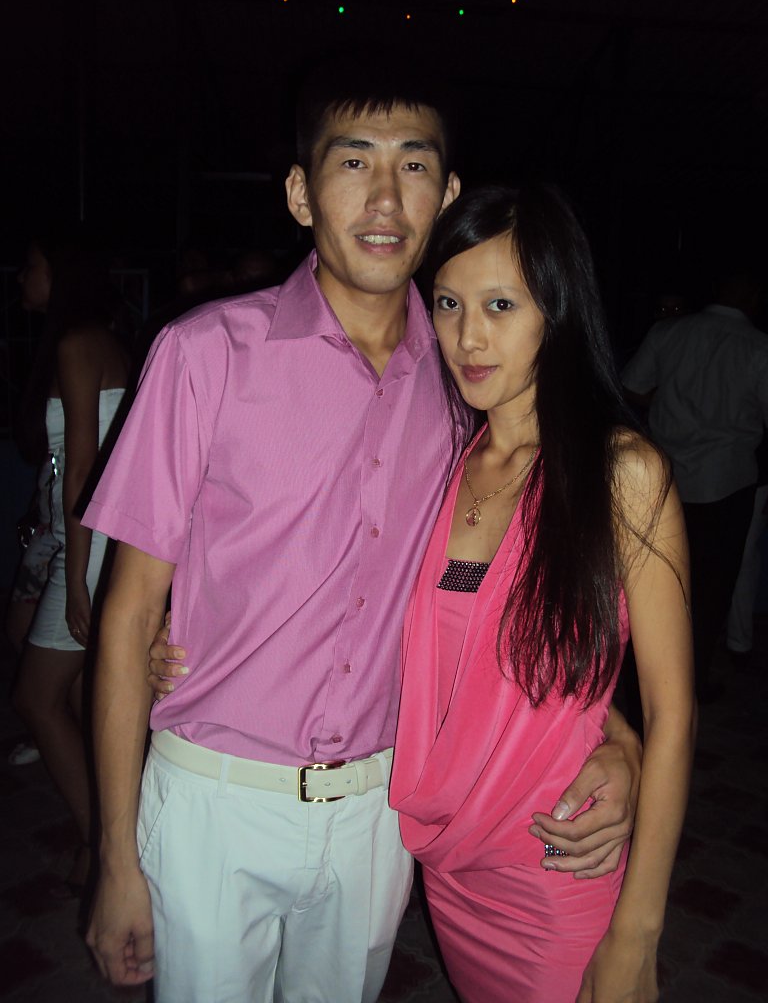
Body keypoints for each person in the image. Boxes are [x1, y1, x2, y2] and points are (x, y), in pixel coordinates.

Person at [83, 66, 640, 1003]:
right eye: (353, 163)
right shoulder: (204, 354)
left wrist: (616, 734)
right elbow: (127, 615)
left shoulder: (467, 385)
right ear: (302, 193)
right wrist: (113, 857)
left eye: (413, 165)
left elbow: (510, 602)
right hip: (216, 799)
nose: (385, 197)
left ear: (446, 193)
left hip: (380, 810)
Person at [389, 185, 696, 1003]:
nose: (468, 336)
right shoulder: (445, 461)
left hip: (557, 864)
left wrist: (637, 935)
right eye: (448, 303)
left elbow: (673, 713)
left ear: (556, 311)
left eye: (500, 304)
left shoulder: (622, 474)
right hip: (449, 866)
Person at [10, 235, 129, 891]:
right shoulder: (102, 341)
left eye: (30, 265)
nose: (21, 277)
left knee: (35, 697)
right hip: (90, 539)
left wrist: (79, 579)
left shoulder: (78, 344)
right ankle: (114, 828)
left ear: (60, 273)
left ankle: (101, 843)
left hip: (91, 544)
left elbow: (83, 469)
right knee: (82, 696)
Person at [622, 270, 768, 700]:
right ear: (751, 293)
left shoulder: (671, 331)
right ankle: (689, 686)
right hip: (725, 481)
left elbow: (630, 386)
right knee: (710, 591)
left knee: (651, 586)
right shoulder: (758, 347)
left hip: (666, 478)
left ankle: (641, 687)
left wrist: (670, 400)